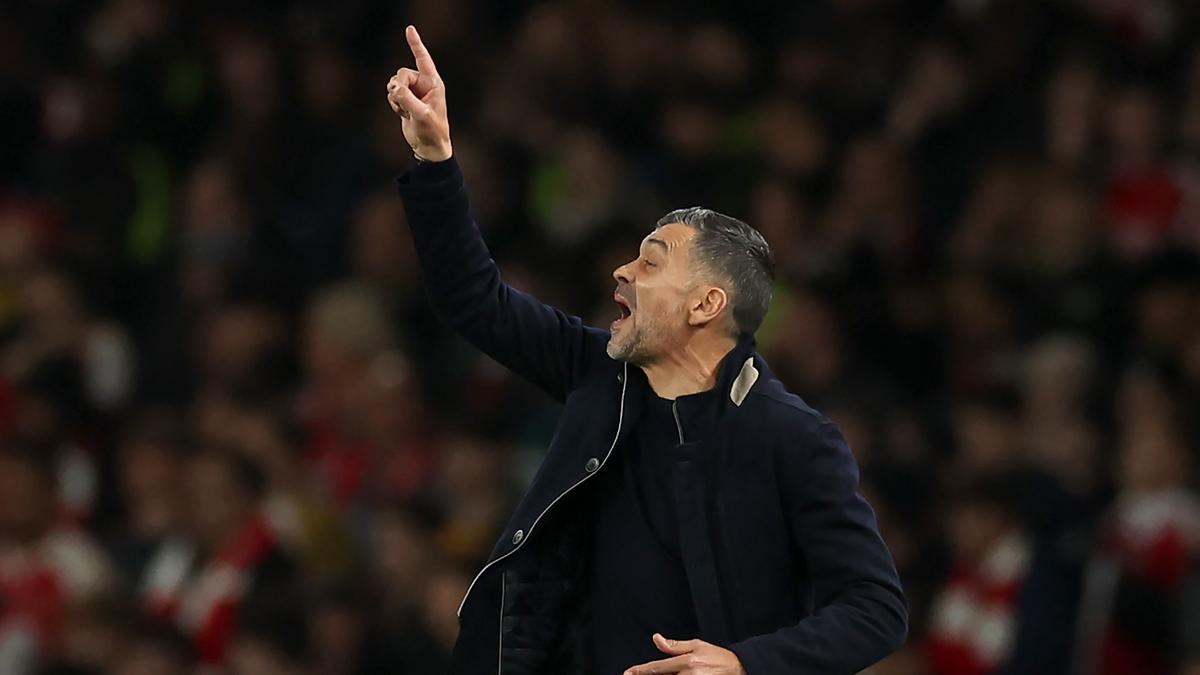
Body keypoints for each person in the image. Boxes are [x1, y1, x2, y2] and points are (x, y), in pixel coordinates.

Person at [386, 25, 907, 675]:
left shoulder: (793, 437)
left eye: (651, 261)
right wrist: (436, 160)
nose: (621, 272)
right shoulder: (595, 371)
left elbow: (876, 606)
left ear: (706, 304)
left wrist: (746, 663)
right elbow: (473, 297)